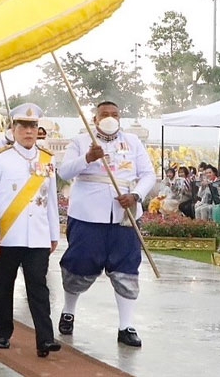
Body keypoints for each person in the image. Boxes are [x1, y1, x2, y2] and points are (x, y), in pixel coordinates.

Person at [58, 101, 157, 348]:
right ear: (95, 119)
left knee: (126, 268)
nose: (110, 118)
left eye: (115, 114)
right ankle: (69, 311)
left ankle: (126, 326)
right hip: (87, 215)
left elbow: (148, 174)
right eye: (105, 114)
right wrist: (88, 157)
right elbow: (64, 172)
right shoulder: (80, 142)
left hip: (124, 215)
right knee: (78, 265)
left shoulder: (133, 142)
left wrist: (135, 195)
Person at [0, 104, 62, 358]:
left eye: (33, 127)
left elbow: (50, 199)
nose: (29, 131)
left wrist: (54, 233)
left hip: (37, 235)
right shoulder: (1, 157)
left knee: (39, 286)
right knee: (4, 286)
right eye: (23, 127)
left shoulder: (46, 158)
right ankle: (3, 333)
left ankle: (45, 339)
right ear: (13, 129)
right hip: (8, 234)